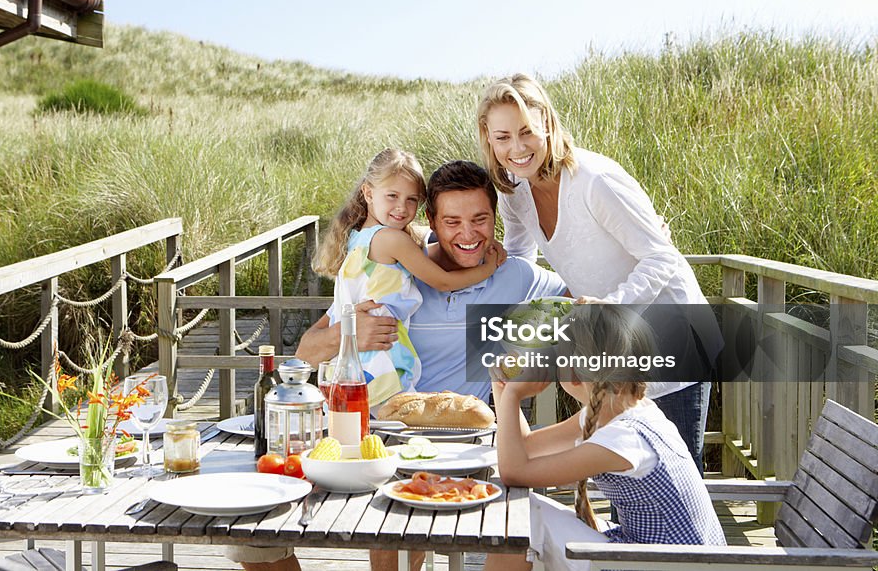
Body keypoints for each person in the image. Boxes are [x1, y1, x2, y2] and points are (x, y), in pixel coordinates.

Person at [224, 160, 567, 571]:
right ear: (431, 221)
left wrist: (541, 354)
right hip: (378, 434)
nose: (469, 234)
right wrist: (349, 335)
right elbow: (306, 352)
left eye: (481, 219)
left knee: (503, 532)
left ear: (495, 218)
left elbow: (595, 313)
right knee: (252, 534)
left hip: (464, 444)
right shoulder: (396, 271)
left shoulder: (514, 277)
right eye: (453, 221)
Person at [476, 73, 720, 473]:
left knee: (673, 473)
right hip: (614, 346)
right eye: (503, 137)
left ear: (548, 125)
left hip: (673, 340)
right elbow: (522, 257)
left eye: (527, 132)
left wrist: (607, 310)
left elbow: (663, 257)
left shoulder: (594, 180)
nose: (517, 149)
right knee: (626, 474)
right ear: (488, 136)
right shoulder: (515, 192)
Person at [485, 305, 725, 571]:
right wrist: (502, 387)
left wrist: (512, 397)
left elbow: (514, 472)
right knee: (524, 514)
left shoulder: (624, 438)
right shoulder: (624, 411)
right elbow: (528, 447)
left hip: (668, 564)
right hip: (657, 557)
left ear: (574, 373)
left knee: (522, 516)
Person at [312, 148, 505, 409]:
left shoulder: (360, 238)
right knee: (393, 422)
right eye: (392, 196)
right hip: (380, 356)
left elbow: (418, 238)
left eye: (412, 200)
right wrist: (488, 269)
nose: (402, 208)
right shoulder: (392, 240)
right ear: (368, 193)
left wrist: (457, 235)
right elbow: (443, 282)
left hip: (357, 357)